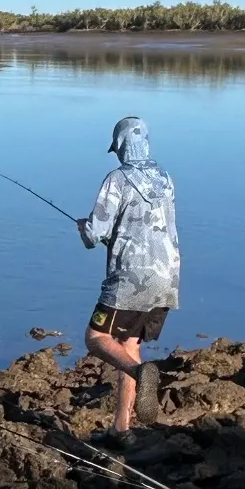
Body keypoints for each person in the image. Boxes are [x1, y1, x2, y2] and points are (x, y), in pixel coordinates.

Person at [75, 116, 180, 436]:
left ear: (120, 147)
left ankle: (142, 373)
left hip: (131, 279)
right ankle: (121, 429)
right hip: (168, 278)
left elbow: (95, 234)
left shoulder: (117, 179)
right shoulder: (165, 177)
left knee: (96, 339)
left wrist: (84, 229)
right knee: (128, 343)